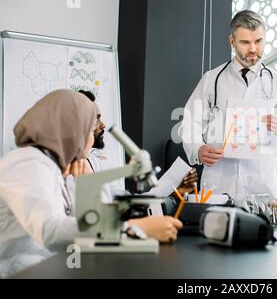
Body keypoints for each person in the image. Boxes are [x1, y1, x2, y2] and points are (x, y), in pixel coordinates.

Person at [0, 90, 182, 278]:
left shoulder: (55, 167)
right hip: (19, 271)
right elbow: (51, 232)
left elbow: (87, 220)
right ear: (71, 130)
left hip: (47, 266)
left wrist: (86, 183)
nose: (91, 139)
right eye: (88, 131)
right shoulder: (28, 163)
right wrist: (135, 228)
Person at [181, 10, 277, 202]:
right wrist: (198, 148)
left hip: (261, 185)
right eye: (245, 42)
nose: (253, 48)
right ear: (232, 41)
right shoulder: (212, 80)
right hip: (219, 183)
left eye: (259, 41)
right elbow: (189, 121)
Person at [76, 90, 197, 203]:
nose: (103, 125)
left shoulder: (93, 160)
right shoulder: (67, 170)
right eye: (96, 120)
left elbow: (124, 200)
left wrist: (176, 193)